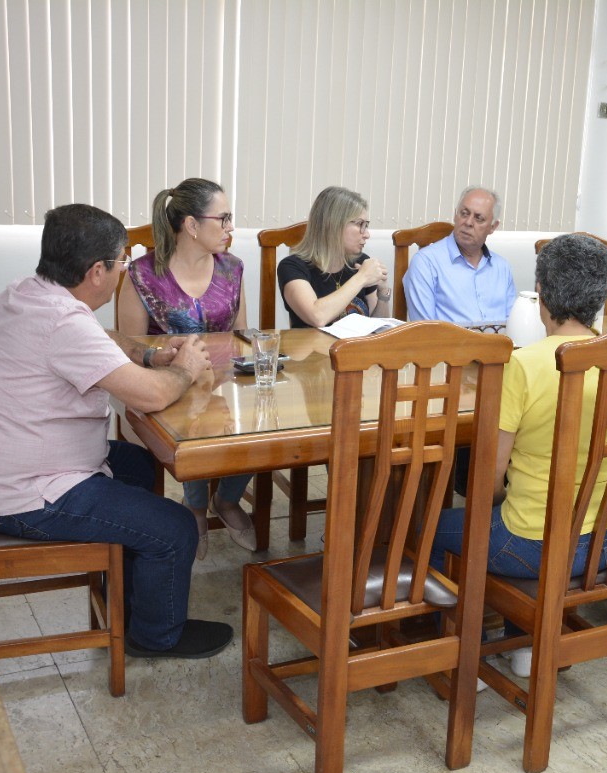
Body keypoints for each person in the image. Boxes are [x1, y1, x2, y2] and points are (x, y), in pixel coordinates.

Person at [0, 203, 233, 659]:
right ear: (97, 271)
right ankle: (155, 636)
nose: (124, 269)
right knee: (176, 527)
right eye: (121, 260)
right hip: (23, 495)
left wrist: (149, 355)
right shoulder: (62, 322)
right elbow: (151, 396)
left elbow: (100, 337)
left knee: (139, 465)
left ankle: (126, 593)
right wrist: (183, 368)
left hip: (6, 469)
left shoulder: (29, 293)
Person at [429, 234, 607, 677]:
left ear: (540, 292)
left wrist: (499, 499)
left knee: (431, 528)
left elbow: (489, 475)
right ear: (603, 296)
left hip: (535, 547)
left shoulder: (522, 365)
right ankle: (522, 643)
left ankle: (457, 657)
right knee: (511, 512)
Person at [119, 178, 256, 559]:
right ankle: (194, 506)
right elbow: (132, 349)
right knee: (195, 419)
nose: (231, 227)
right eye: (223, 218)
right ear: (192, 225)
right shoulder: (143, 274)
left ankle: (226, 499)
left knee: (263, 419)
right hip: (167, 386)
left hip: (223, 383)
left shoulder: (232, 269)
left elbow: (241, 335)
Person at [279, 186, 391, 329]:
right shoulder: (292, 266)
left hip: (356, 344)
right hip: (313, 344)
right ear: (333, 225)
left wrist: (382, 293)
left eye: (366, 225)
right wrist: (362, 277)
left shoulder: (361, 261)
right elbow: (317, 317)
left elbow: (379, 330)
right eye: (360, 224)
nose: (367, 234)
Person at [402, 186, 515, 325]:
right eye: (464, 213)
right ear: (455, 215)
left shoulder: (502, 268)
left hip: (500, 339)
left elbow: (514, 326)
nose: (468, 222)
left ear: (493, 227)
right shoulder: (426, 263)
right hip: (447, 340)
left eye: (479, 218)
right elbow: (424, 331)